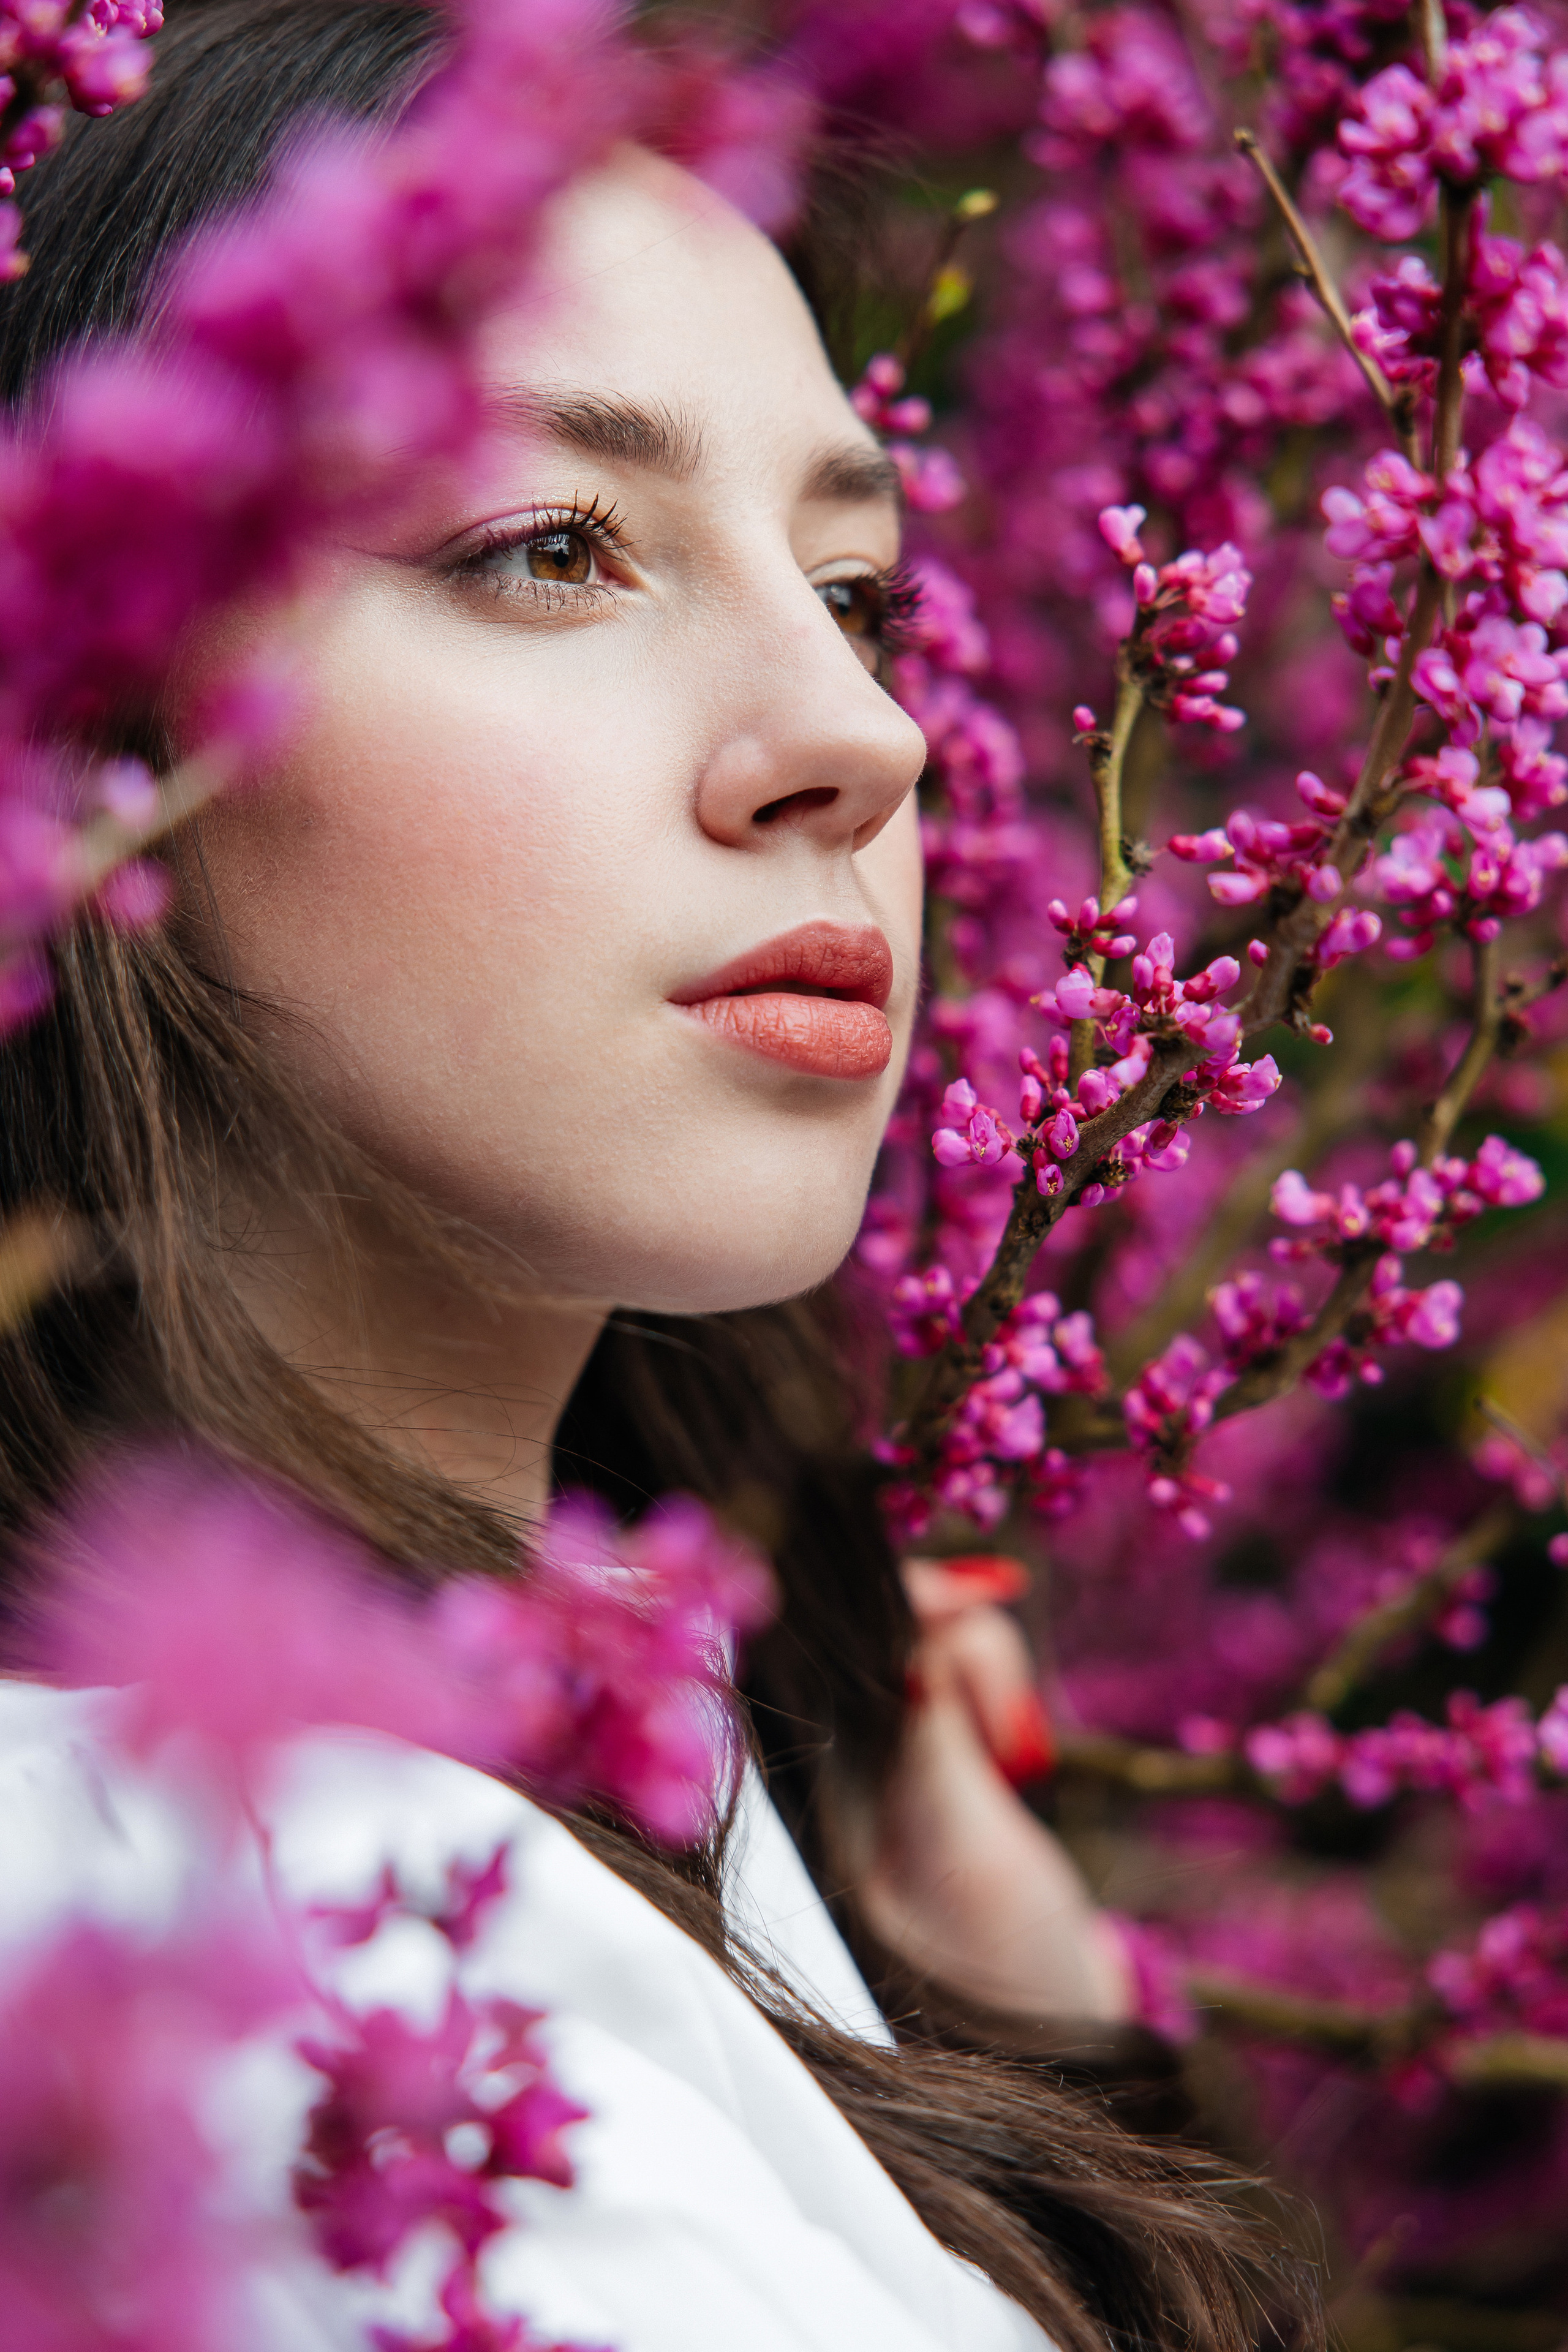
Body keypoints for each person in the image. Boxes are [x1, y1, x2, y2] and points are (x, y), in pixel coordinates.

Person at [0, 4, 1310, 2345]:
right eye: (552, 545)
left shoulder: (545, 1831)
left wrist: (1013, 2023)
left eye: (861, 587)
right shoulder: (295, 1960)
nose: (864, 733)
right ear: (83, 715)